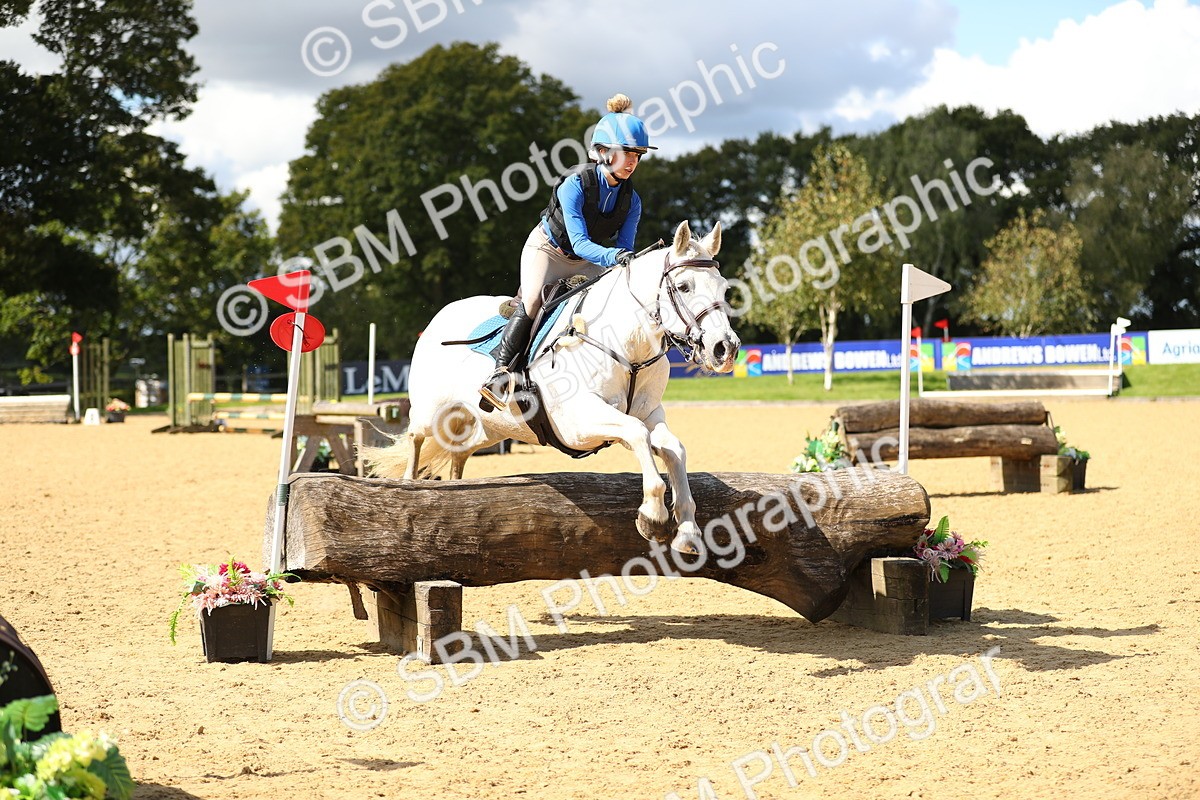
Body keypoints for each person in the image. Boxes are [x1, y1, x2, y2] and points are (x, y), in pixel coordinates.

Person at [479, 93, 656, 411]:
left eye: (637, 155)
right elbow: (579, 243)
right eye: (625, 153)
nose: (632, 162)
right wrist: (615, 257)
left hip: (589, 259)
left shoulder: (633, 200)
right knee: (534, 301)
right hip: (549, 250)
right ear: (602, 152)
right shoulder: (574, 184)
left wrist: (623, 259)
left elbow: (625, 247)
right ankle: (500, 374)